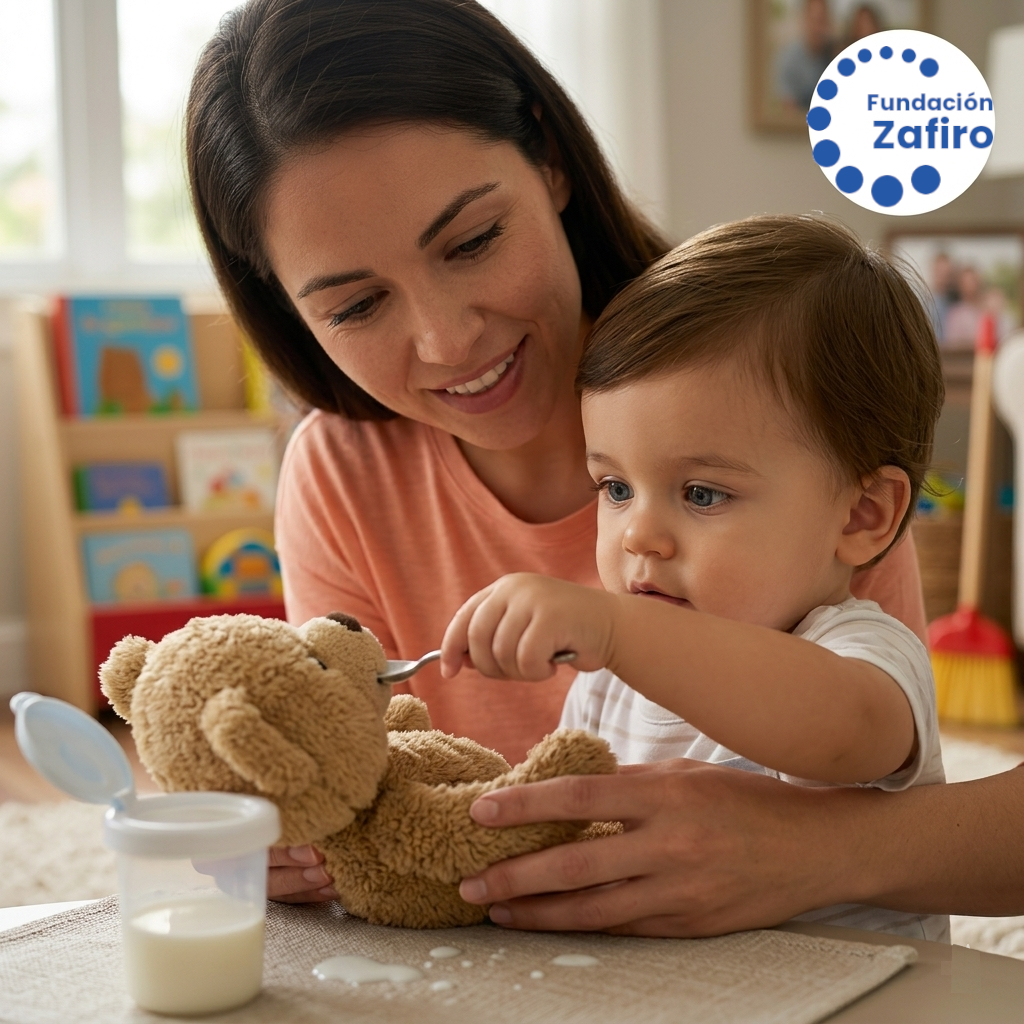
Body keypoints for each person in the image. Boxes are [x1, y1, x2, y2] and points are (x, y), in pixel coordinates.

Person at [184, 0, 967, 928]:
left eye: (472, 242)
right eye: (356, 305)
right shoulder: (342, 474)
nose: (447, 341)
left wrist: (613, 631)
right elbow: (410, 791)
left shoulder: (784, 409)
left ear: (550, 158)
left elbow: (858, 738)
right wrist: (303, 823)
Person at [440, 214, 947, 940]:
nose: (638, 534)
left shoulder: (862, 651)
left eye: (702, 493)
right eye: (614, 488)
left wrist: (617, 628)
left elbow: (845, 734)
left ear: (862, 514)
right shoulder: (607, 683)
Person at [775, 0, 835, 112]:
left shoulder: (834, 56)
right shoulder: (788, 59)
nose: (817, 28)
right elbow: (788, 110)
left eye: (822, 21)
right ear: (804, 20)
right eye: (813, 20)